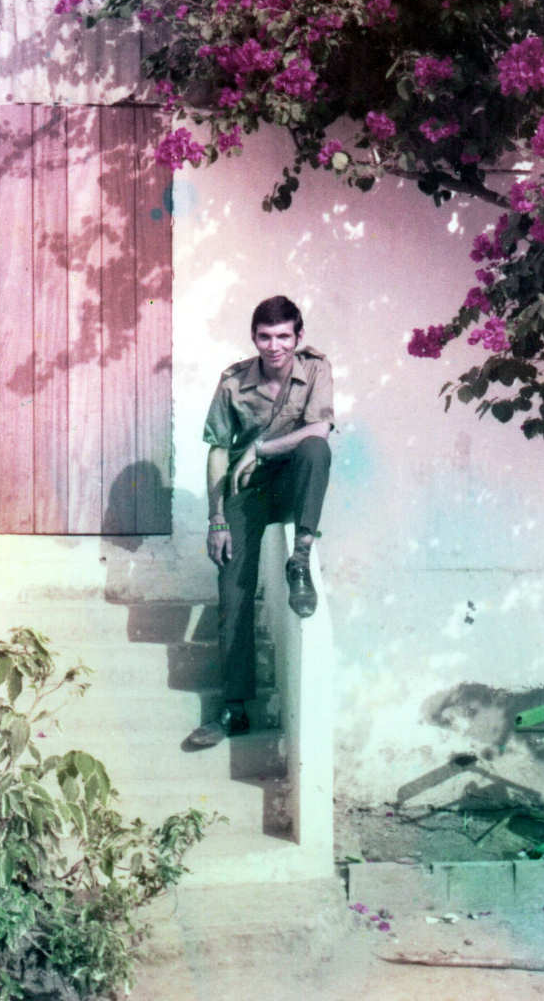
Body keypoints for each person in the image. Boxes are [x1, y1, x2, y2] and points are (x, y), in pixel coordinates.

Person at [186, 295, 334, 749]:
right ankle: (234, 708)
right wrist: (216, 519)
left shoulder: (316, 369)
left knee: (316, 450)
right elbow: (217, 449)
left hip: (291, 483)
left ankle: (300, 559)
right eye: (265, 337)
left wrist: (262, 449)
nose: (275, 346)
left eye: (284, 336)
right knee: (233, 584)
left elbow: (320, 430)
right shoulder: (233, 382)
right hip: (247, 491)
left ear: (298, 336)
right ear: (254, 338)